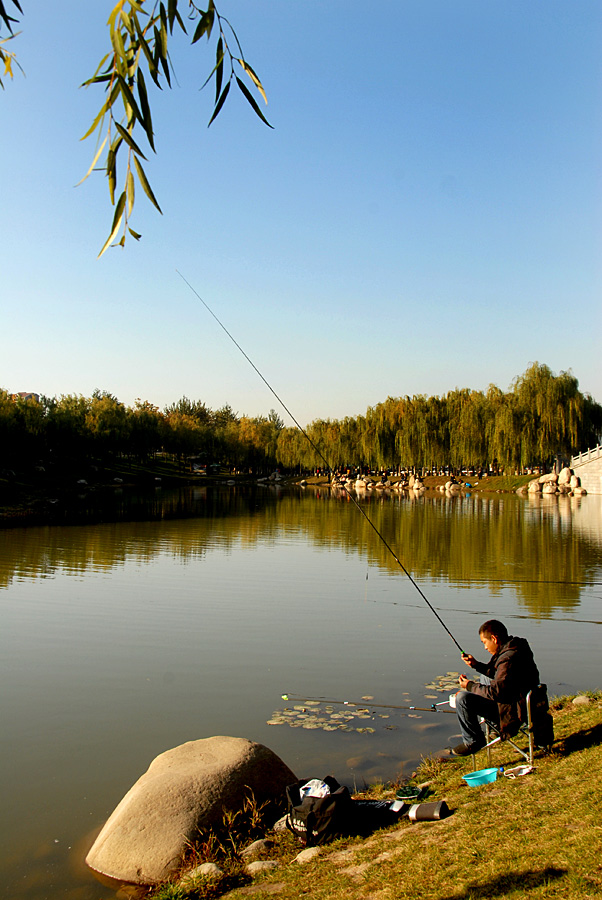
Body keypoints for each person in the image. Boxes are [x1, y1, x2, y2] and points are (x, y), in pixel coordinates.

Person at [451, 619, 541, 756]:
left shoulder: (507, 658)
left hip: (514, 711)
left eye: (484, 643)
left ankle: (473, 742)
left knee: (462, 699)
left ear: (494, 638)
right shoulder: (516, 647)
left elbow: (496, 692)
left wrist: (469, 686)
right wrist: (477, 665)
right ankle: (493, 731)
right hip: (525, 700)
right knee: (486, 678)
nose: (485, 647)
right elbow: (503, 676)